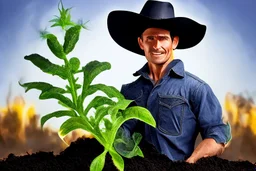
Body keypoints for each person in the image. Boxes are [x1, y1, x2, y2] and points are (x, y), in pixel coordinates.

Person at [107, 0, 231, 163]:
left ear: (174, 42)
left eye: (163, 38)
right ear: (141, 43)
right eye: (150, 38)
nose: (156, 45)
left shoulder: (196, 88)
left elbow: (217, 136)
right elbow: (120, 137)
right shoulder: (129, 92)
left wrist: (193, 160)